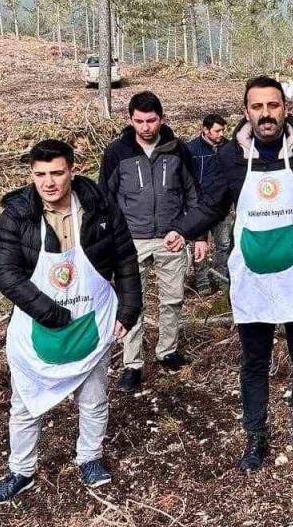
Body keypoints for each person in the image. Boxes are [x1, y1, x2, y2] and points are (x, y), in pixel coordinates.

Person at [163, 76, 293, 472]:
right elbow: (212, 205)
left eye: (273, 106)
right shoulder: (230, 157)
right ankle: (255, 435)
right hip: (252, 277)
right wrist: (184, 228)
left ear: (285, 109)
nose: (266, 114)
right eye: (258, 107)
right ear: (246, 112)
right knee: (253, 360)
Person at [0, 139, 142, 504]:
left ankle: (90, 458)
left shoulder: (100, 208)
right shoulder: (16, 216)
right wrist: (49, 312)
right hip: (39, 327)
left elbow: (125, 260)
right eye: (40, 174)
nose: (49, 182)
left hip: (91, 322)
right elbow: (5, 272)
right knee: (24, 406)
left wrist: (129, 308)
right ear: (31, 175)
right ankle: (21, 470)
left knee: (93, 398)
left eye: (57, 173)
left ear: (72, 169)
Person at [99, 92, 205, 393]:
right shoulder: (117, 152)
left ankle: (167, 351)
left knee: (172, 299)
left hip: (171, 238)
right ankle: (132, 365)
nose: (145, 127)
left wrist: (196, 234)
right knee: (132, 303)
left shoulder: (178, 151)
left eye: (151, 120)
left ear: (162, 118)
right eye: (139, 121)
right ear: (130, 120)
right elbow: (104, 199)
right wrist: (107, 238)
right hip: (130, 240)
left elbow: (193, 195)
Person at [186, 113, 233, 295]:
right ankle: (203, 282)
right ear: (205, 130)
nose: (221, 134)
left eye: (223, 130)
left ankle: (221, 279)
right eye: (217, 130)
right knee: (200, 245)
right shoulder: (192, 149)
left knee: (224, 244)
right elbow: (187, 180)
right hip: (200, 207)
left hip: (223, 206)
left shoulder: (228, 148)